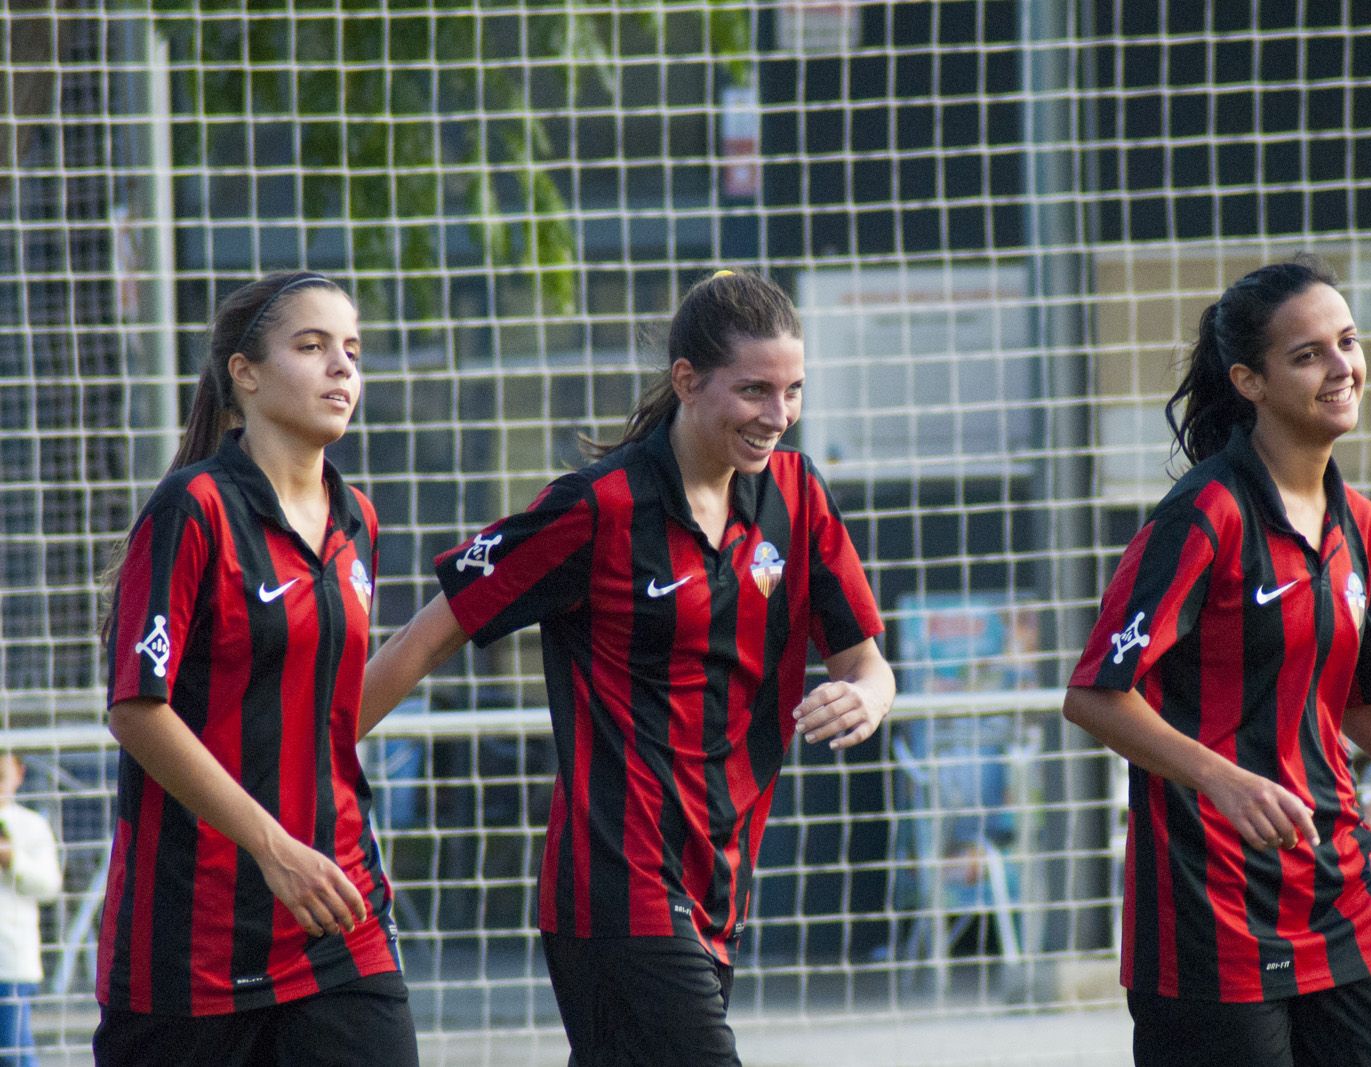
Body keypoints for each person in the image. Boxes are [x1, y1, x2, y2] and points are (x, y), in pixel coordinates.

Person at [360, 269, 896, 1066]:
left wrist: (865, 696)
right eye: (754, 390)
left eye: (793, 391)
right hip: (614, 886)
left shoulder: (798, 496)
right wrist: (293, 768)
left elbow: (867, 662)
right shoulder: (597, 509)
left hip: (720, 882)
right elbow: (426, 636)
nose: (777, 416)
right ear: (687, 380)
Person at [1060, 257, 1371, 1067]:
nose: (1342, 367)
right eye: (1308, 353)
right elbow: (1096, 695)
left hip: (1340, 892)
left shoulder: (1365, 527)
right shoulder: (1204, 514)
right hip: (1210, 914)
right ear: (1251, 381)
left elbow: (1359, 700)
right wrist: (1225, 779)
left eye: (1347, 342)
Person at [96, 271, 418, 1066]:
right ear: (244, 371)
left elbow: (330, 709)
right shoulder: (193, 508)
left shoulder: (358, 518)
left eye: (352, 349)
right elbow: (138, 708)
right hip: (191, 942)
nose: (342, 366)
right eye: (312, 347)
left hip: (338, 916)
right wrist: (273, 849)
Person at [0, 753, 61, 1067]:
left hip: (10, 961)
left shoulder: (31, 825)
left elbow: (50, 885)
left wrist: (15, 862)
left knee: (13, 1053)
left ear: (18, 774)